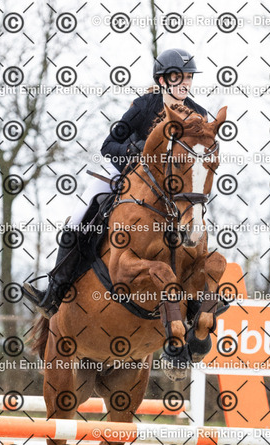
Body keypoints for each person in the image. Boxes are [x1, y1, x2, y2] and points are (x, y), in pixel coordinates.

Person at [23, 49, 207, 319]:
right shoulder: (143, 106)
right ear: (162, 80)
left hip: (172, 185)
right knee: (78, 217)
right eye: (179, 77)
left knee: (198, 222)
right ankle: (55, 291)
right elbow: (108, 145)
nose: (185, 83)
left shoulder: (198, 113)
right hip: (125, 173)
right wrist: (137, 149)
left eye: (189, 77)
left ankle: (197, 301)